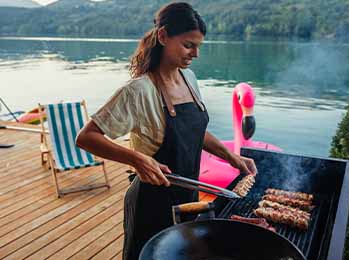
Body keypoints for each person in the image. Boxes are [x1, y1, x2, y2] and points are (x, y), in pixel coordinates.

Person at [76, 2, 257, 259]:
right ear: (162, 36)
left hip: (188, 196)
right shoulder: (139, 90)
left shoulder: (189, 78)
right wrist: (136, 158)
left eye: (198, 46)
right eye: (188, 45)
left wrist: (232, 158)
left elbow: (192, 134)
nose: (195, 54)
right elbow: (86, 138)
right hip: (151, 205)